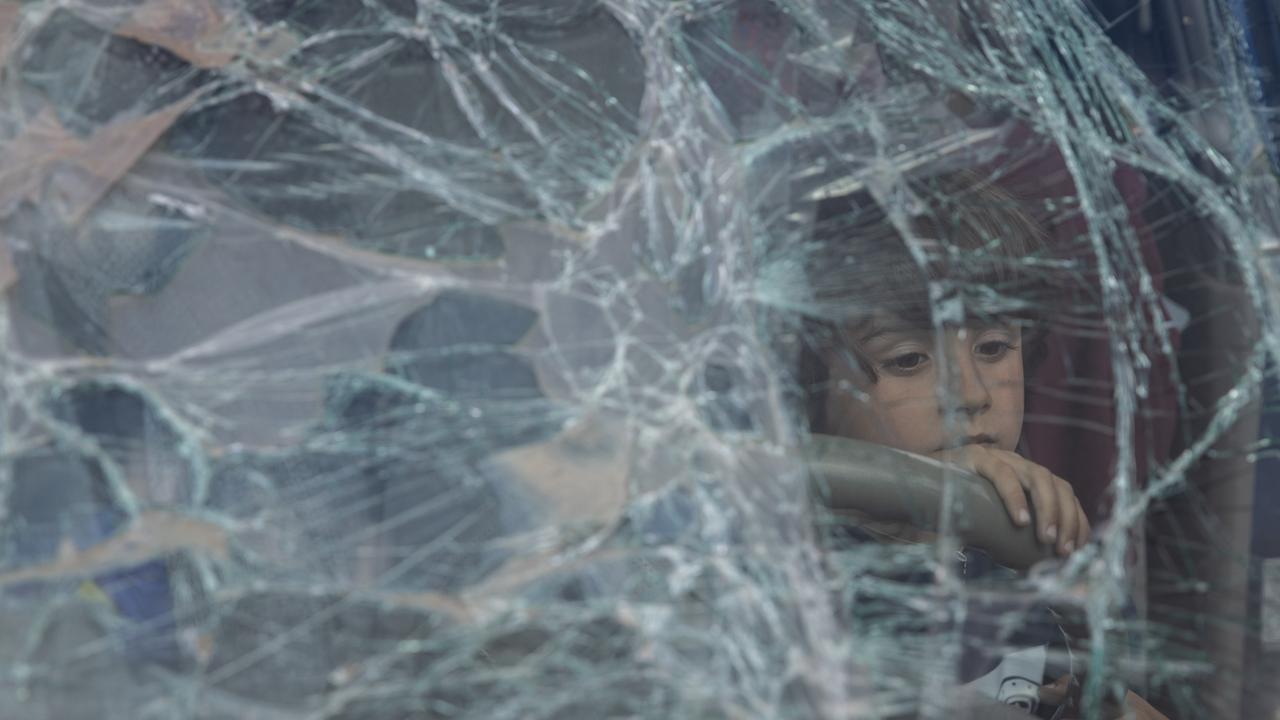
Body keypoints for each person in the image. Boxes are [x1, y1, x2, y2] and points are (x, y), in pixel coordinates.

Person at [793, 171, 1170, 719]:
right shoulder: (783, 569)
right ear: (807, 387)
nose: (969, 394)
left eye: (994, 347)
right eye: (908, 360)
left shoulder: (1031, 543)